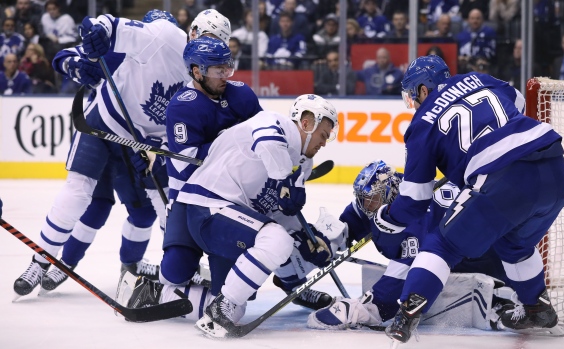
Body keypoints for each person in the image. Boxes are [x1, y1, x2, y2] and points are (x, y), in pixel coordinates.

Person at [27, 9, 233, 295]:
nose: (207, 47)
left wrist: (155, 150)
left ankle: (148, 265)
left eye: (216, 42)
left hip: (139, 144)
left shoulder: (206, 81)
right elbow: (85, 43)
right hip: (105, 126)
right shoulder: (161, 37)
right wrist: (80, 63)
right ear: (192, 31)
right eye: (205, 36)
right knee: (86, 200)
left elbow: (180, 130)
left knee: (149, 210)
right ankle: (48, 261)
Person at [374, 55, 564, 344]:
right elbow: (518, 103)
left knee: (442, 244)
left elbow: (415, 200)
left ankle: (407, 313)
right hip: (554, 168)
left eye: (413, 95)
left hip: (503, 176)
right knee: (513, 244)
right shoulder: (479, 78)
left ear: (423, 90)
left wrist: (387, 218)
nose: (414, 102)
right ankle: (537, 307)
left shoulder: (421, 125)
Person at [116, 94, 339, 334]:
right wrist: (286, 178)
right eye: (323, 135)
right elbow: (267, 141)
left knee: (238, 300)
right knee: (276, 241)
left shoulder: (302, 165)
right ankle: (222, 308)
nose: (324, 142)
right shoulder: (275, 123)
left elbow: (278, 210)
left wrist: (305, 238)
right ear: (306, 123)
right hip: (206, 206)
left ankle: (154, 293)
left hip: (230, 220)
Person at [307, 160, 511, 331]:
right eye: (365, 200)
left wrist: (371, 307)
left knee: (424, 259)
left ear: (388, 193)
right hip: (473, 239)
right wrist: (330, 240)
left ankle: (502, 298)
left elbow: (409, 267)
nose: (368, 206)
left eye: (372, 201)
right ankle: (292, 277)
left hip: (486, 254)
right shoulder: (390, 191)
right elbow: (357, 214)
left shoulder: (415, 214)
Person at [456, 9, 496, 74]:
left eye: (478, 18)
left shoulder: (489, 33)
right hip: (464, 65)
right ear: (468, 20)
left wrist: (480, 59)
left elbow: (492, 52)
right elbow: (457, 53)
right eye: (472, 18)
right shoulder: (461, 35)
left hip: (482, 65)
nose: (475, 21)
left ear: (482, 20)